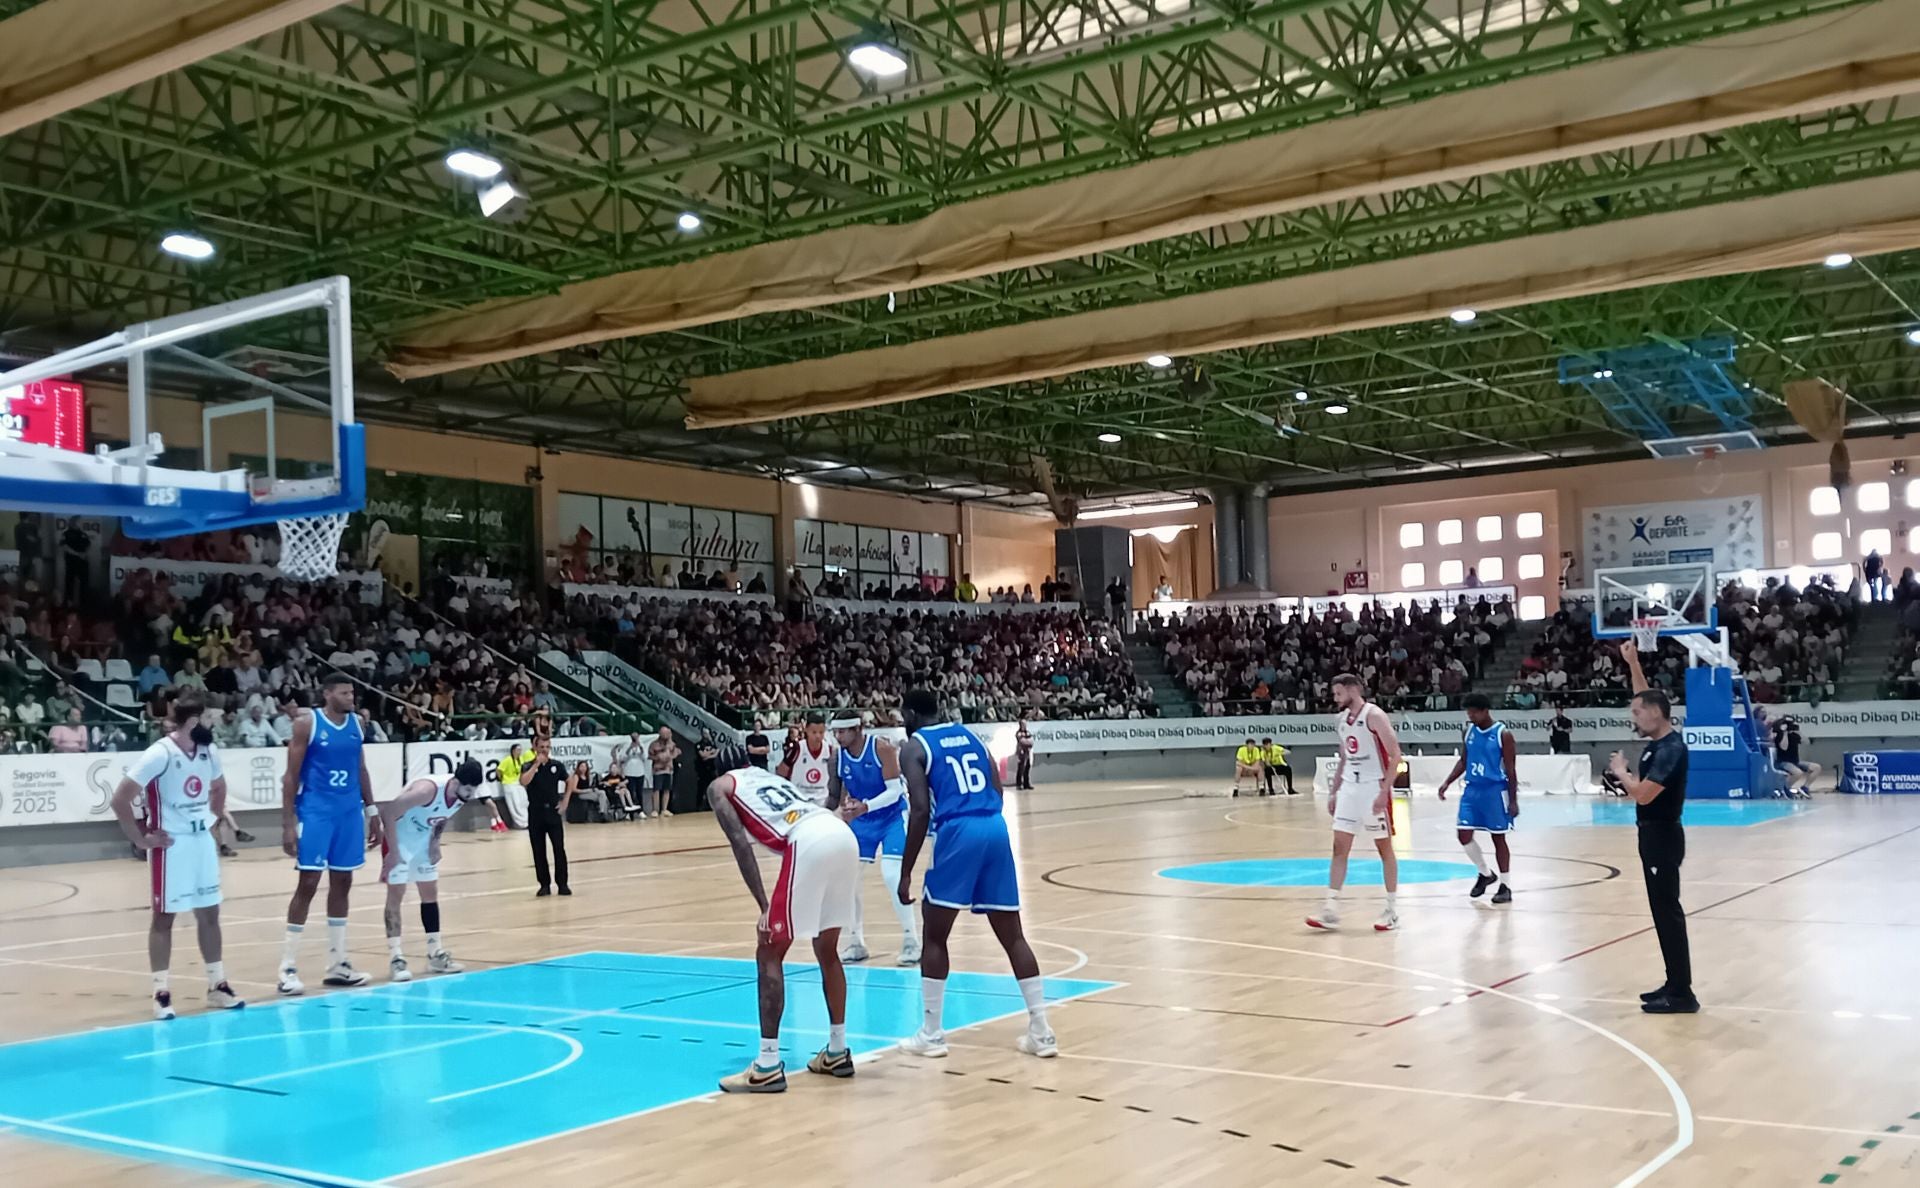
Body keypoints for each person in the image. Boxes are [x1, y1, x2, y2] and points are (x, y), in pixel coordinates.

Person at [895, 688, 1056, 1060]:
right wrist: (982, 819)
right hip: (994, 826)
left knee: (935, 935)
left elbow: (920, 811)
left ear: (910, 713)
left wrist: (905, 873)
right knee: (1013, 935)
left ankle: (932, 1034)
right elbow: (998, 789)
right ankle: (1042, 1030)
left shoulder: (914, 747)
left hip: (958, 832)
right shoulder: (970, 735)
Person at [709, 765, 860, 1093]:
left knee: (769, 950)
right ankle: (837, 1050)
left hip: (808, 840)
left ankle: (766, 1064)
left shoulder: (719, 787)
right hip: (841, 834)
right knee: (827, 948)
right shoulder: (763, 776)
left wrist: (764, 905)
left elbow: (740, 843)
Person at [109, 697, 246, 1020]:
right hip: (171, 845)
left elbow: (220, 786)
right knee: (164, 918)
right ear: (194, 722)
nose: (216, 723)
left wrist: (213, 814)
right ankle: (161, 992)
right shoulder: (160, 753)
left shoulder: (208, 751)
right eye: (210, 718)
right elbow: (120, 799)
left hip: (201, 841)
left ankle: (217, 985)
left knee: (210, 914)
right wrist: (140, 839)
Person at [277, 673, 381, 996]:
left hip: (348, 812)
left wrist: (372, 810)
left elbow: (360, 768)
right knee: (308, 883)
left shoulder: (357, 725)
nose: (352, 697)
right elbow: (290, 776)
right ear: (328, 693)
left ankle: (337, 964)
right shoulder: (307, 724)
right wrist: (287, 823)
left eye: (353, 692)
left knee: (343, 882)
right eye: (345, 692)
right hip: (316, 811)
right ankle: (287, 968)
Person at [1608, 642, 1697, 1014]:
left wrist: (1621, 775)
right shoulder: (1659, 740)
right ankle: (1673, 982)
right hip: (1653, 836)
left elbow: (1643, 795)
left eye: (1637, 712)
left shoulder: (1669, 751)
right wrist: (1633, 662)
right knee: (1662, 913)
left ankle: (1682, 993)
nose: (1634, 716)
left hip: (1662, 835)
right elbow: (1643, 696)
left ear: (1657, 714)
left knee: (1667, 913)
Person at [1308, 673, 1402, 932]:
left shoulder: (1374, 716)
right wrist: (1334, 791)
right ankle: (1330, 908)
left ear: (1353, 689)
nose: (1335, 698)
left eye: (1338, 693)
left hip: (1373, 786)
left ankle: (1392, 909)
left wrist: (1384, 791)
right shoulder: (1340, 720)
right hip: (1350, 787)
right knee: (1339, 848)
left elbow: (1396, 756)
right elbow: (1344, 759)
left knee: (1384, 849)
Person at [378, 758, 483, 981]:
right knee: (396, 895)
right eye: (468, 789)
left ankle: (435, 953)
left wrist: (435, 841)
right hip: (398, 839)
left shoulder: (461, 794)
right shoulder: (427, 790)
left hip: (422, 840)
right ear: (455, 782)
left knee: (430, 893)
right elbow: (387, 812)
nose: (471, 795)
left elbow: (443, 816)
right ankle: (396, 958)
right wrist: (393, 852)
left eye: (474, 790)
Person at [828, 712, 921, 965]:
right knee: (848, 880)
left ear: (857, 729)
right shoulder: (838, 757)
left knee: (892, 875)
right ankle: (856, 942)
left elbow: (895, 791)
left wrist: (865, 807)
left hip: (891, 816)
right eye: (835, 732)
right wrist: (844, 809)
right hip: (862, 820)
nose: (838, 736)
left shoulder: (882, 748)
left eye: (843, 731)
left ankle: (911, 940)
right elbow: (841, 793)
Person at [1437, 693, 1518, 904]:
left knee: (1498, 837)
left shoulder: (1503, 734)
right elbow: (1464, 761)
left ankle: (1506, 885)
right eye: (1468, 712)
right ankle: (1485, 873)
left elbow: (1510, 769)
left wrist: (1513, 799)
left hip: (1494, 791)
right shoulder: (1468, 731)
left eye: (1473, 712)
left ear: (1485, 711)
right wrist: (1447, 782)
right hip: (1472, 790)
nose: (1470, 715)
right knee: (1463, 835)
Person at [520, 738, 574, 895]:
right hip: (535, 812)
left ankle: (562, 884)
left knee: (559, 848)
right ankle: (544, 884)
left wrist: (565, 801)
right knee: (538, 850)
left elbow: (569, 780)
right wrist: (536, 764)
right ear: (535, 747)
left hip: (552, 812)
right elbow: (523, 781)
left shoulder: (556, 766)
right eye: (541, 747)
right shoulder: (528, 765)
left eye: (547, 747)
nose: (544, 749)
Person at [777, 711, 836, 805]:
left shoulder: (829, 750)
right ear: (806, 730)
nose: (818, 736)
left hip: (822, 801)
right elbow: (781, 772)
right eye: (814, 732)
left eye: (821, 732)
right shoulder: (797, 748)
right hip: (799, 799)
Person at [1771, 714, 1819, 798]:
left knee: (1816, 767)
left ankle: (1805, 787)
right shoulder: (1779, 735)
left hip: (1795, 761)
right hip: (1783, 762)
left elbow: (1807, 742)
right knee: (1798, 773)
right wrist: (1784, 733)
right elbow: (1784, 747)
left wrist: (1799, 732)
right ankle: (1785, 788)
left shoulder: (1795, 734)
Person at [645, 725, 679, 818]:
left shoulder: (672, 744)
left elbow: (675, 752)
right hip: (658, 770)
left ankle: (664, 809)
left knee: (667, 789)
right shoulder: (654, 744)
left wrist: (671, 756)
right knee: (656, 790)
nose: (665, 735)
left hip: (668, 769)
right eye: (663, 733)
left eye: (667, 733)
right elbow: (650, 755)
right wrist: (658, 758)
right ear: (660, 733)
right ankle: (655, 810)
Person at [1013, 716, 1034, 790]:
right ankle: (1019, 784)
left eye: (1025, 724)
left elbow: (1031, 742)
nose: (1025, 726)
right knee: (1021, 768)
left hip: (1028, 752)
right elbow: (1022, 742)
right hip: (1021, 753)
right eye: (1023, 724)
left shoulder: (1028, 732)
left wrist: (1027, 741)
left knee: (1027, 768)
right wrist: (1026, 741)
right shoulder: (1018, 733)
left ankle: (1026, 783)